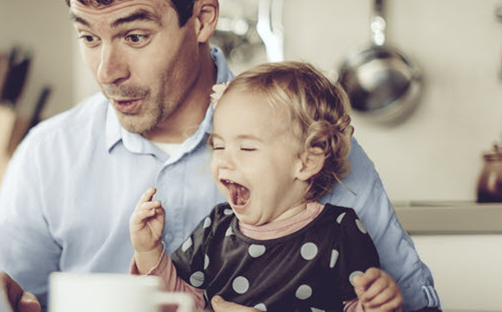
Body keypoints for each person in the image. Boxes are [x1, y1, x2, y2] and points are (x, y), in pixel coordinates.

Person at [0, 0, 440, 311]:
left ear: (202, 19)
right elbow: (21, 297)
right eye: (89, 37)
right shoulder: (46, 155)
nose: (107, 71)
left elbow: (412, 305)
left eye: (135, 36)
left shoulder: (305, 137)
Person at [129, 62, 403, 311]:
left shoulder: (339, 232)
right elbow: (178, 304)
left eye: (247, 148)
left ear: (306, 162)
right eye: (218, 146)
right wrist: (148, 251)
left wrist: (377, 305)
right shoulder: (215, 228)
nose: (223, 160)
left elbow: (358, 305)